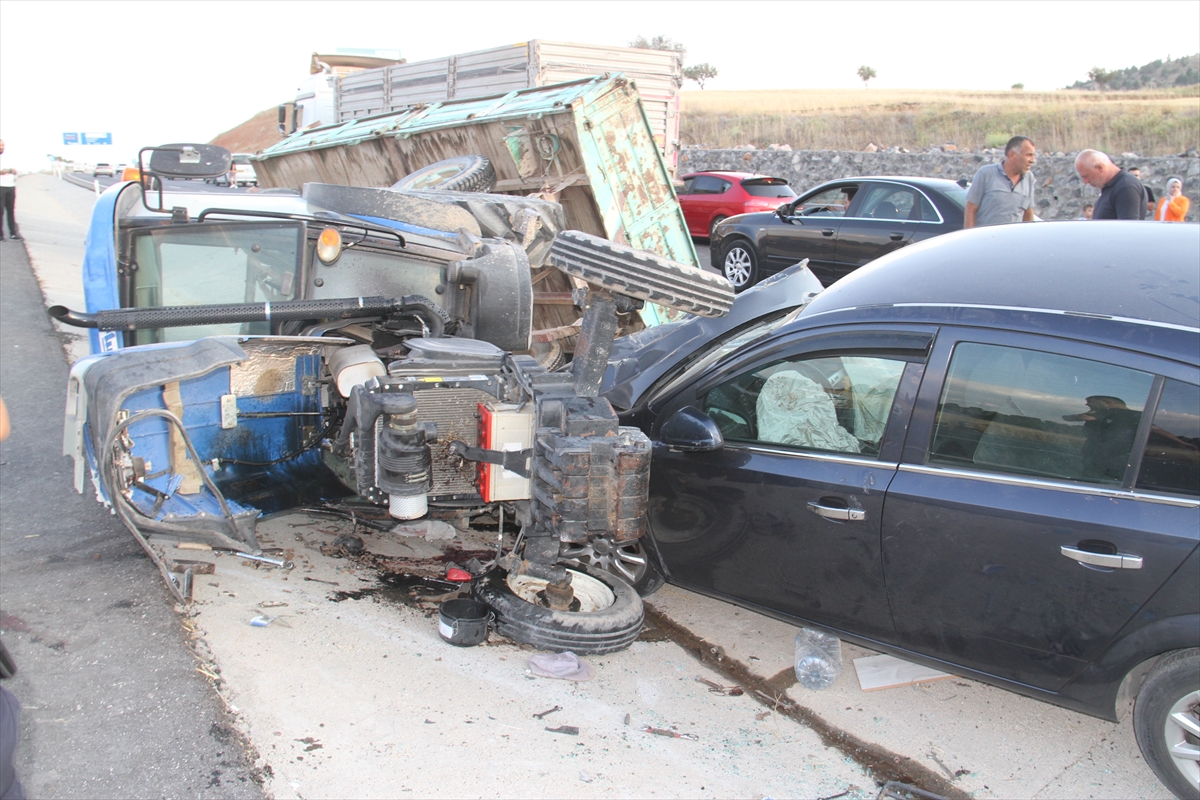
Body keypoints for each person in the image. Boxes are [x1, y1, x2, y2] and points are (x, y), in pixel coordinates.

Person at [963, 135, 1037, 228]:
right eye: (1029, 155)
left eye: (1033, 155)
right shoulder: (986, 174)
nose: (1033, 160)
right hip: (986, 239)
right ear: (1012, 155)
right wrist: (970, 238)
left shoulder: (1028, 178)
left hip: (1013, 240)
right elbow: (970, 209)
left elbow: (1028, 214)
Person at [1074, 150, 1146, 220]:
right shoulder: (1112, 186)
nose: (1085, 181)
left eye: (1086, 176)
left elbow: (1128, 229)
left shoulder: (1126, 187)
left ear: (1100, 168)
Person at [0, 140, 20, 241]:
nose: (1, 147)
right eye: (0, 145)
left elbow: (15, 171)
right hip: (1, 187)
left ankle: (13, 233)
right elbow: (2, 171)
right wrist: (8, 170)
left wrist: (10, 171)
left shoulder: (8, 158)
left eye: (3, 145)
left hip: (10, 186)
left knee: (10, 210)